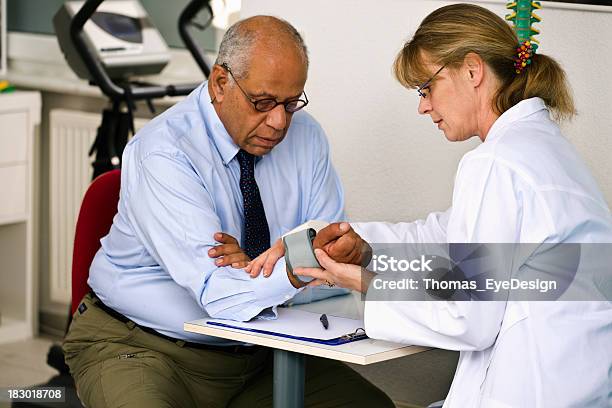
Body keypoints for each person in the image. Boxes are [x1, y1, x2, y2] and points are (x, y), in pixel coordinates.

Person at [248, 4, 612, 407]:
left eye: (426, 88)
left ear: (472, 71)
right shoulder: (543, 149)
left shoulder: (496, 162)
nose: (423, 106)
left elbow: (468, 319)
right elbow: (445, 236)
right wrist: (361, 245)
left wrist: (359, 281)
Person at [63, 15, 392, 408]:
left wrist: (257, 267)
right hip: (143, 347)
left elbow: (326, 269)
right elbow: (219, 297)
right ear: (220, 82)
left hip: (263, 353)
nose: (279, 122)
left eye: (291, 103)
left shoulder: (307, 137)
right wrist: (287, 268)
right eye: (263, 102)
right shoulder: (164, 151)